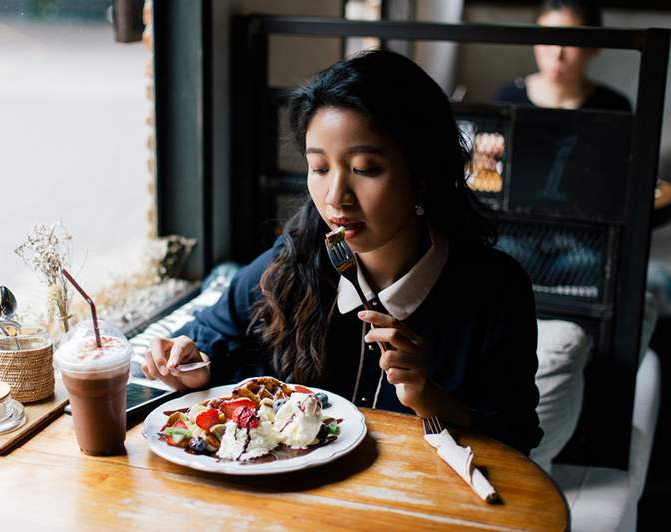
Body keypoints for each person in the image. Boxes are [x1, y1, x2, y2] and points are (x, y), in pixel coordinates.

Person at [143, 49, 543, 455]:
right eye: (320, 168)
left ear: (422, 173)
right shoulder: (296, 258)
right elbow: (209, 334)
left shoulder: (495, 290)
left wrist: (431, 399)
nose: (335, 197)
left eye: (365, 168)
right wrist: (192, 362)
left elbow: (518, 435)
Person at [495, 0, 631, 112]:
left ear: (594, 48)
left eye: (570, 42)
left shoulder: (615, 108)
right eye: (546, 39)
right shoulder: (507, 100)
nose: (557, 54)